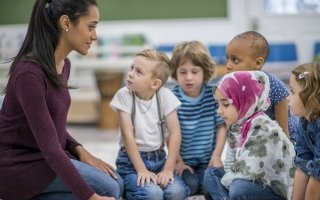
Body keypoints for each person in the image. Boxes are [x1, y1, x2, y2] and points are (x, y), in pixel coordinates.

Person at [0, 0, 123, 200]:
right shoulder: (28, 74)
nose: (95, 36)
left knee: (116, 182)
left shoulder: (63, 64)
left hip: (44, 157)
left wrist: (80, 150)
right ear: (66, 22)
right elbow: (50, 148)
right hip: (20, 167)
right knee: (109, 189)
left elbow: (52, 126)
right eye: (90, 27)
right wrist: (90, 198)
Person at [110, 49, 190, 200]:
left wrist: (167, 169)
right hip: (131, 163)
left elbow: (175, 133)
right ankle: (128, 187)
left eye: (138, 72)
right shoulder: (124, 95)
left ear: (155, 84)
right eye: (132, 68)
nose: (131, 73)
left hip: (159, 159)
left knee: (177, 192)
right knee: (153, 194)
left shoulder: (165, 96)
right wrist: (141, 170)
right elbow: (127, 136)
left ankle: (144, 186)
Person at [204, 71, 295, 199]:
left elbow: (249, 170)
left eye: (225, 104)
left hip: (271, 187)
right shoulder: (237, 126)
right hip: (245, 178)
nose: (219, 111)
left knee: (239, 188)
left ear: (245, 101)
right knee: (211, 174)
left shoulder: (264, 128)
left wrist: (225, 184)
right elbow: (230, 163)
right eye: (218, 104)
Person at [170, 41, 226, 196]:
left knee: (210, 188)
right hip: (183, 162)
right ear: (175, 72)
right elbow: (168, 133)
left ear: (205, 72)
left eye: (194, 71)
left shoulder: (213, 95)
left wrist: (216, 156)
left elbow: (221, 126)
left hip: (207, 161)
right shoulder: (171, 97)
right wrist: (177, 161)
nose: (189, 77)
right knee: (191, 186)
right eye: (183, 72)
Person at [224, 30, 298, 143]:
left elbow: (284, 132)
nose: (228, 65)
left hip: (279, 141)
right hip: (253, 140)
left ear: (257, 63)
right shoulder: (231, 86)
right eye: (227, 59)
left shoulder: (276, 87)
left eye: (235, 60)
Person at [288, 62, 320, 200]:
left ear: (310, 96)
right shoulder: (305, 120)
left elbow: (317, 176)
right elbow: (302, 165)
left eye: (292, 92)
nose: (288, 98)